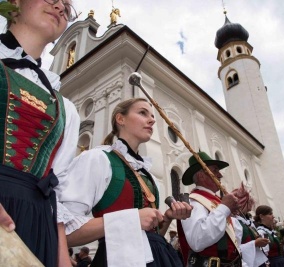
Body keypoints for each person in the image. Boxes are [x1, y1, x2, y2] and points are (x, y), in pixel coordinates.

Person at [56, 98, 193, 267]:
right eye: (142, 113)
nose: (152, 120)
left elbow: (151, 236)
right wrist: (131, 219)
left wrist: (168, 218)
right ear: (120, 119)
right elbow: (65, 232)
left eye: (152, 115)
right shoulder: (98, 159)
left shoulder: (148, 175)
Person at [0, 0, 80, 266]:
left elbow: (56, 187)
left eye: (67, 7)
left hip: (38, 223)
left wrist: (61, 257)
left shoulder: (64, 107)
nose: (60, 7)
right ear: (14, 2)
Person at [178, 151, 242, 267]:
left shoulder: (217, 202)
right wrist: (224, 208)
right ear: (201, 175)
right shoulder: (194, 201)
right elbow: (197, 240)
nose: (220, 175)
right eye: (215, 170)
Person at [232, 183, 269, 267]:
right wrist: (255, 243)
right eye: (249, 203)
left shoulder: (247, 221)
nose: (251, 207)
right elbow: (234, 250)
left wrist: (261, 242)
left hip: (256, 261)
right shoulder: (234, 221)